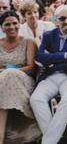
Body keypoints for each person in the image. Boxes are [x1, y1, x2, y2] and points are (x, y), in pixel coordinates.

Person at [30, 5, 67, 144]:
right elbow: (39, 57)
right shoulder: (48, 35)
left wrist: (52, 59)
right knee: (35, 99)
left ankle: (48, 141)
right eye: (62, 18)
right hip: (51, 76)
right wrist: (64, 55)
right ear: (56, 20)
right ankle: (53, 139)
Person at [0, 11, 41, 143]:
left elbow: (30, 67)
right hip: (1, 83)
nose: (11, 27)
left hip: (24, 82)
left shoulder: (29, 42)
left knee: (9, 74)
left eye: (14, 23)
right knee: (6, 78)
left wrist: (8, 71)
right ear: (2, 27)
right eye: (7, 24)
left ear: (20, 24)